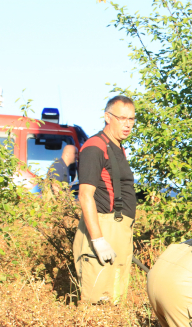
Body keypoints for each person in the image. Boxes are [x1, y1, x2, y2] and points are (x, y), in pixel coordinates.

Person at [72, 95, 137, 304]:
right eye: (122, 118)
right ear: (107, 117)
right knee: (97, 299)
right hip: (104, 226)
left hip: (119, 228)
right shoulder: (95, 146)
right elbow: (85, 195)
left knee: (116, 297)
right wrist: (98, 240)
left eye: (131, 119)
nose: (127, 124)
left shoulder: (117, 146)